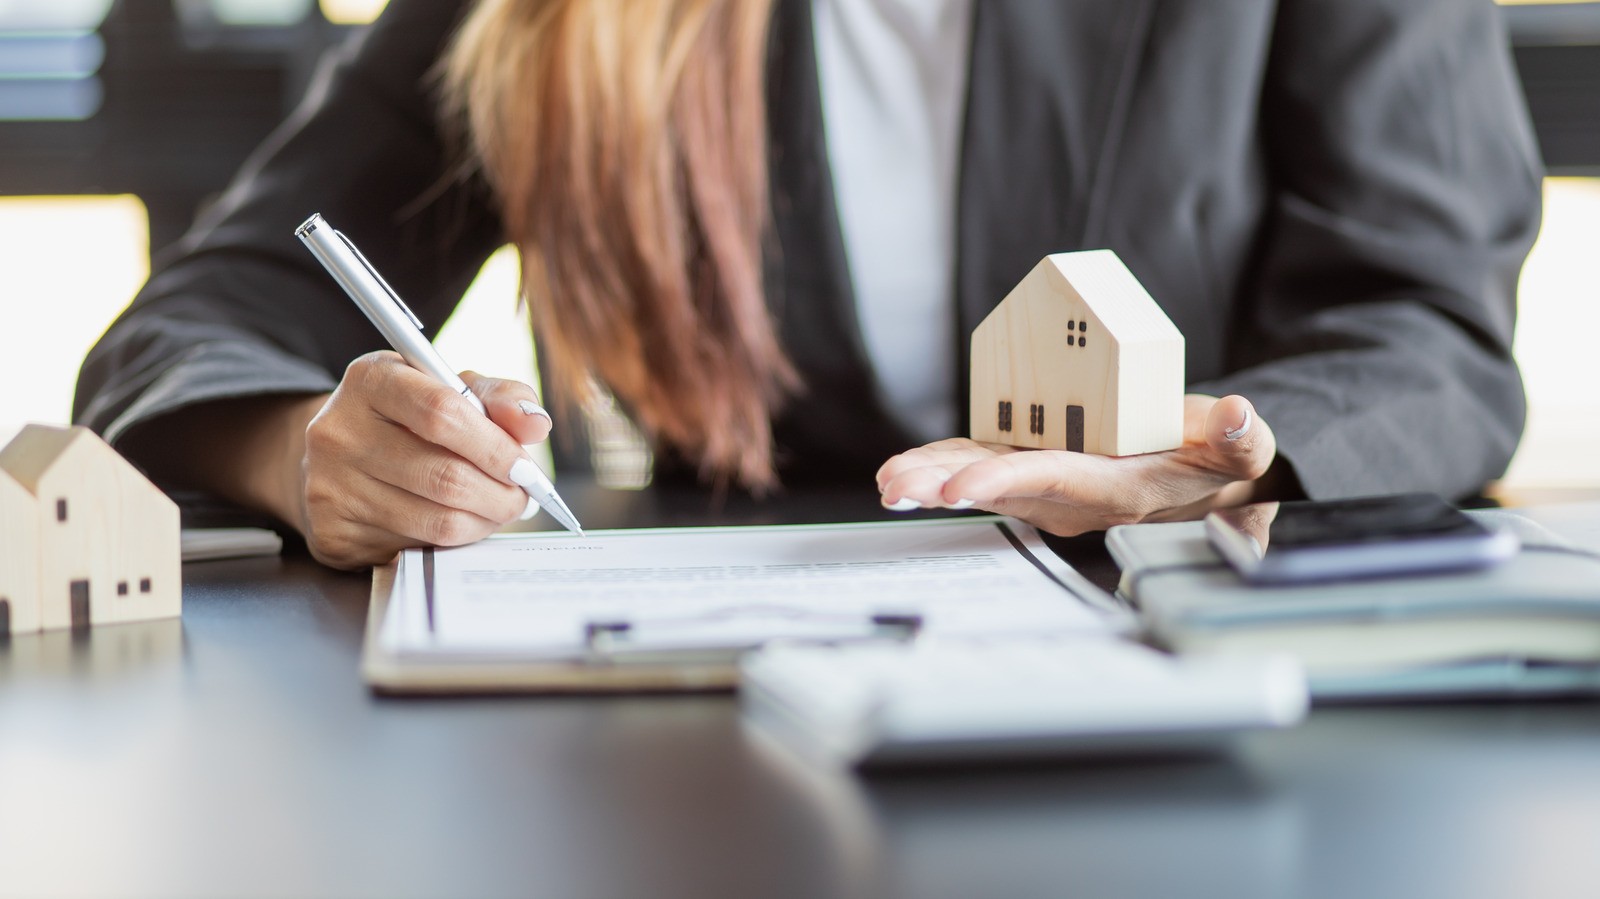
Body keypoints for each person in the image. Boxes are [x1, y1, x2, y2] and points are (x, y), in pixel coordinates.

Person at [76, 0, 1542, 570]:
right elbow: (196, 326)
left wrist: (1220, 451)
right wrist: (313, 458)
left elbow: (1428, 327)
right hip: (729, 715)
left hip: (1187, 662)